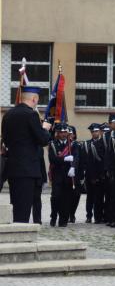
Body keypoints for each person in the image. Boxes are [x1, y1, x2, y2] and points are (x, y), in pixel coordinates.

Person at [1, 85, 52, 223]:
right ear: (34, 99)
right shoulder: (31, 115)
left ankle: (17, 231)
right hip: (27, 169)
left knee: (16, 205)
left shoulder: (8, 114)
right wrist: (45, 129)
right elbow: (42, 140)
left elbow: (5, 138)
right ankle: (21, 236)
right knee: (24, 209)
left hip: (13, 167)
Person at [48, 123, 77, 227]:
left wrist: (73, 166)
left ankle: (63, 219)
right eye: (61, 132)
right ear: (57, 133)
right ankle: (54, 216)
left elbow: (76, 157)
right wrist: (64, 159)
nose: (64, 134)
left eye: (65, 132)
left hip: (68, 175)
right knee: (55, 197)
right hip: (57, 175)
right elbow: (52, 159)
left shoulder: (72, 144)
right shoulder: (52, 144)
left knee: (66, 198)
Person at [83, 124, 106, 224]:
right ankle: (88, 216)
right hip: (89, 174)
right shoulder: (86, 144)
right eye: (92, 132)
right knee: (90, 197)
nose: (94, 133)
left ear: (99, 132)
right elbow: (85, 161)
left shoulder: (103, 143)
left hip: (100, 175)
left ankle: (98, 217)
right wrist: (91, 176)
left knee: (99, 198)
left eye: (96, 131)